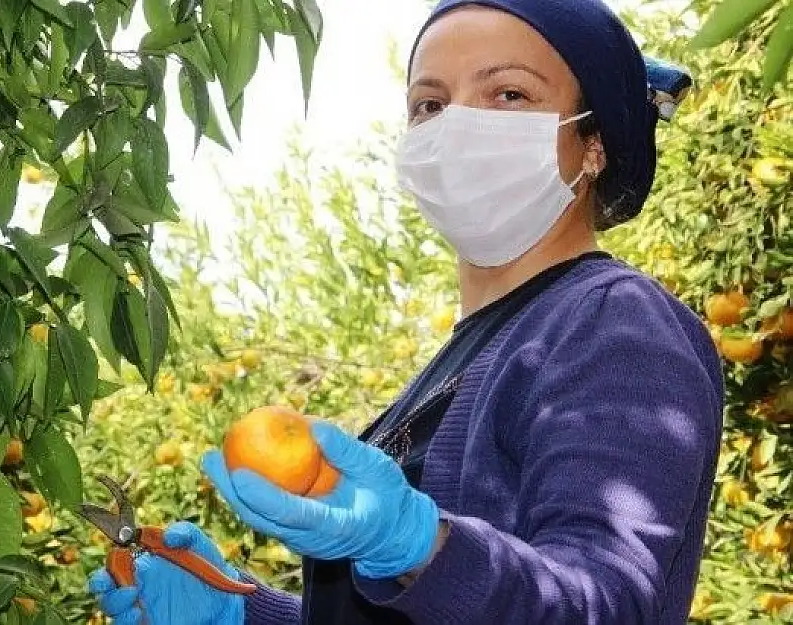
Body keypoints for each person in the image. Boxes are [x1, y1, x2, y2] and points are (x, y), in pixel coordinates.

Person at [87, 0, 723, 623]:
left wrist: (421, 544)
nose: (458, 125)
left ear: (592, 144)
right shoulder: (469, 353)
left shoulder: (612, 322)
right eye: (431, 104)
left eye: (508, 95)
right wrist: (243, 611)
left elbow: (600, 606)